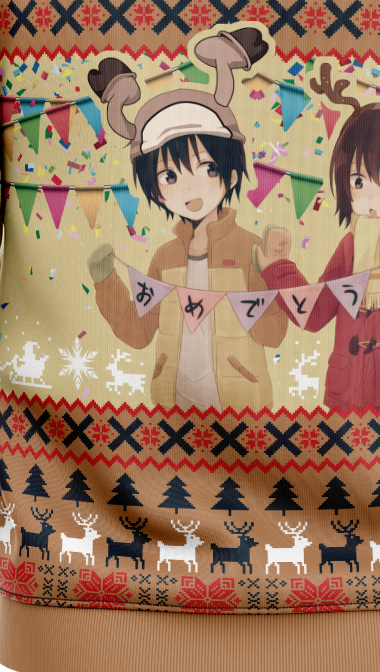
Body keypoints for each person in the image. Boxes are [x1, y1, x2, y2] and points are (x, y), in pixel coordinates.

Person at [86, 26, 288, 411]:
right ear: (156, 190)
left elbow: (273, 334)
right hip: (172, 409)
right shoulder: (165, 258)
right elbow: (139, 333)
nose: (189, 188)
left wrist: (271, 274)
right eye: (169, 176)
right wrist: (107, 282)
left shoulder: (251, 249)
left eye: (207, 169)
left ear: (231, 175)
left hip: (243, 414)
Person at [255, 55, 380, 413]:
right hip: (348, 399)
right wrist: (277, 268)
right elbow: (315, 314)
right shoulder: (350, 245)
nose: (371, 198)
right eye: (359, 180)